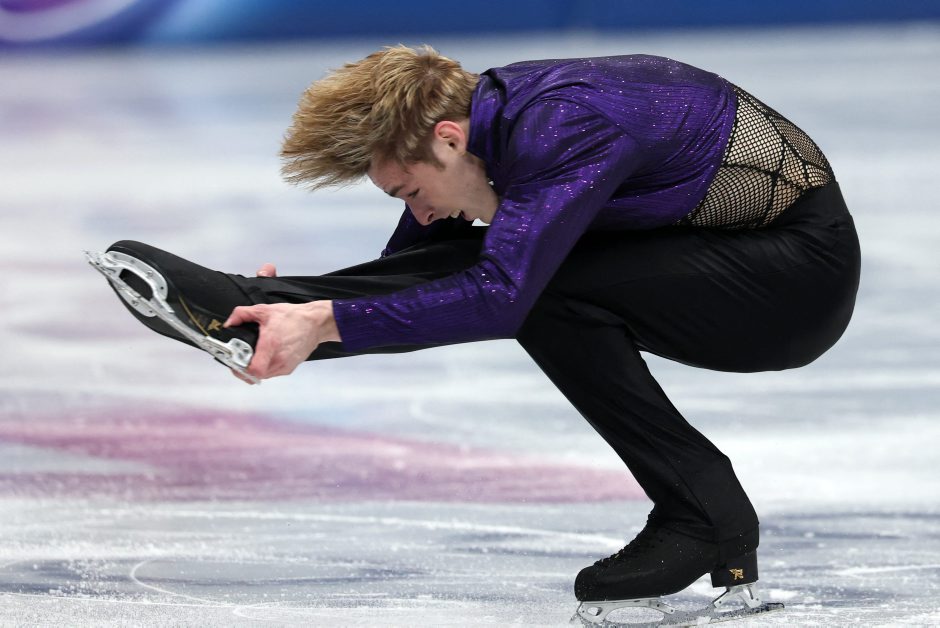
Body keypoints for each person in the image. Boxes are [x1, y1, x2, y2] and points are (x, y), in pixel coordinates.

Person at [89, 45, 860, 622]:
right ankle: (249, 307)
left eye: (409, 189)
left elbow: (497, 298)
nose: (417, 209)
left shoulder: (561, 126)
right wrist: (298, 308)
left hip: (792, 284)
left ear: (449, 138)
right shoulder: (489, 124)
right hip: (714, 249)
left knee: (536, 288)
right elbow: (418, 265)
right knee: (502, 269)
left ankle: (704, 517)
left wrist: (323, 320)